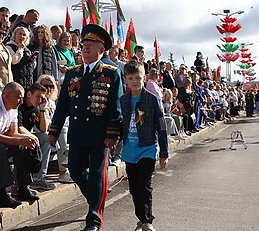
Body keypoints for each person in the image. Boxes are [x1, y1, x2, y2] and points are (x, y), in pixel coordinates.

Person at [48, 24, 123, 231]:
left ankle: (94, 220)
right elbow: (63, 104)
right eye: (84, 44)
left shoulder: (111, 73)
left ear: (102, 49)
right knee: (75, 169)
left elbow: (115, 107)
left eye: (91, 45)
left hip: (100, 136)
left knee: (98, 175)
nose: (86, 48)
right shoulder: (73, 74)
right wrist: (54, 131)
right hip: (78, 133)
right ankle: (96, 198)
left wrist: (112, 134)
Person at [0, 82, 42, 208]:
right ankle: (2, 194)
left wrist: (29, 138)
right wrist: (20, 140)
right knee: (0, 148)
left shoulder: (13, 108)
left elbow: (14, 133)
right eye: (18, 98)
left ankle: (23, 188)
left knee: (22, 146)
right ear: (6, 96)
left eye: (22, 98)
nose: (21, 101)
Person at [120, 60, 169, 231]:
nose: (135, 81)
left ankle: (147, 221)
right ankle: (141, 218)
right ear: (125, 79)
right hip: (129, 150)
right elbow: (118, 123)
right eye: (131, 78)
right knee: (134, 188)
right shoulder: (123, 100)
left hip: (147, 148)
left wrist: (164, 152)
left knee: (144, 185)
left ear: (145, 78)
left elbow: (161, 127)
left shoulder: (153, 100)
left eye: (138, 78)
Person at [16, 83, 52, 191]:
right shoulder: (20, 105)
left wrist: (42, 109)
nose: (39, 100)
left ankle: (39, 178)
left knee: (46, 137)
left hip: (28, 136)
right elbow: (19, 128)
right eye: (37, 97)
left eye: (42, 98)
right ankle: (22, 184)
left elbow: (43, 129)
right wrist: (32, 136)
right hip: (15, 137)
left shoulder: (35, 108)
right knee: (31, 140)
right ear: (29, 94)